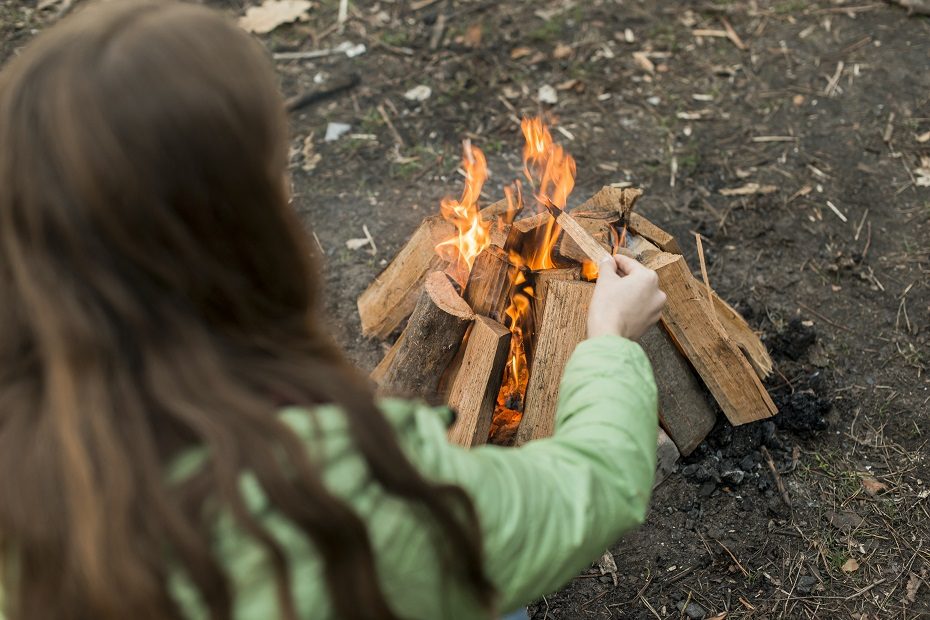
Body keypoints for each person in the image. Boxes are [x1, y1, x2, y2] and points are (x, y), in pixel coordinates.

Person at [0, 2, 666, 619]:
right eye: (272, 174)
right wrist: (607, 340)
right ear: (235, 228)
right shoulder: (326, 492)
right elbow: (592, 487)